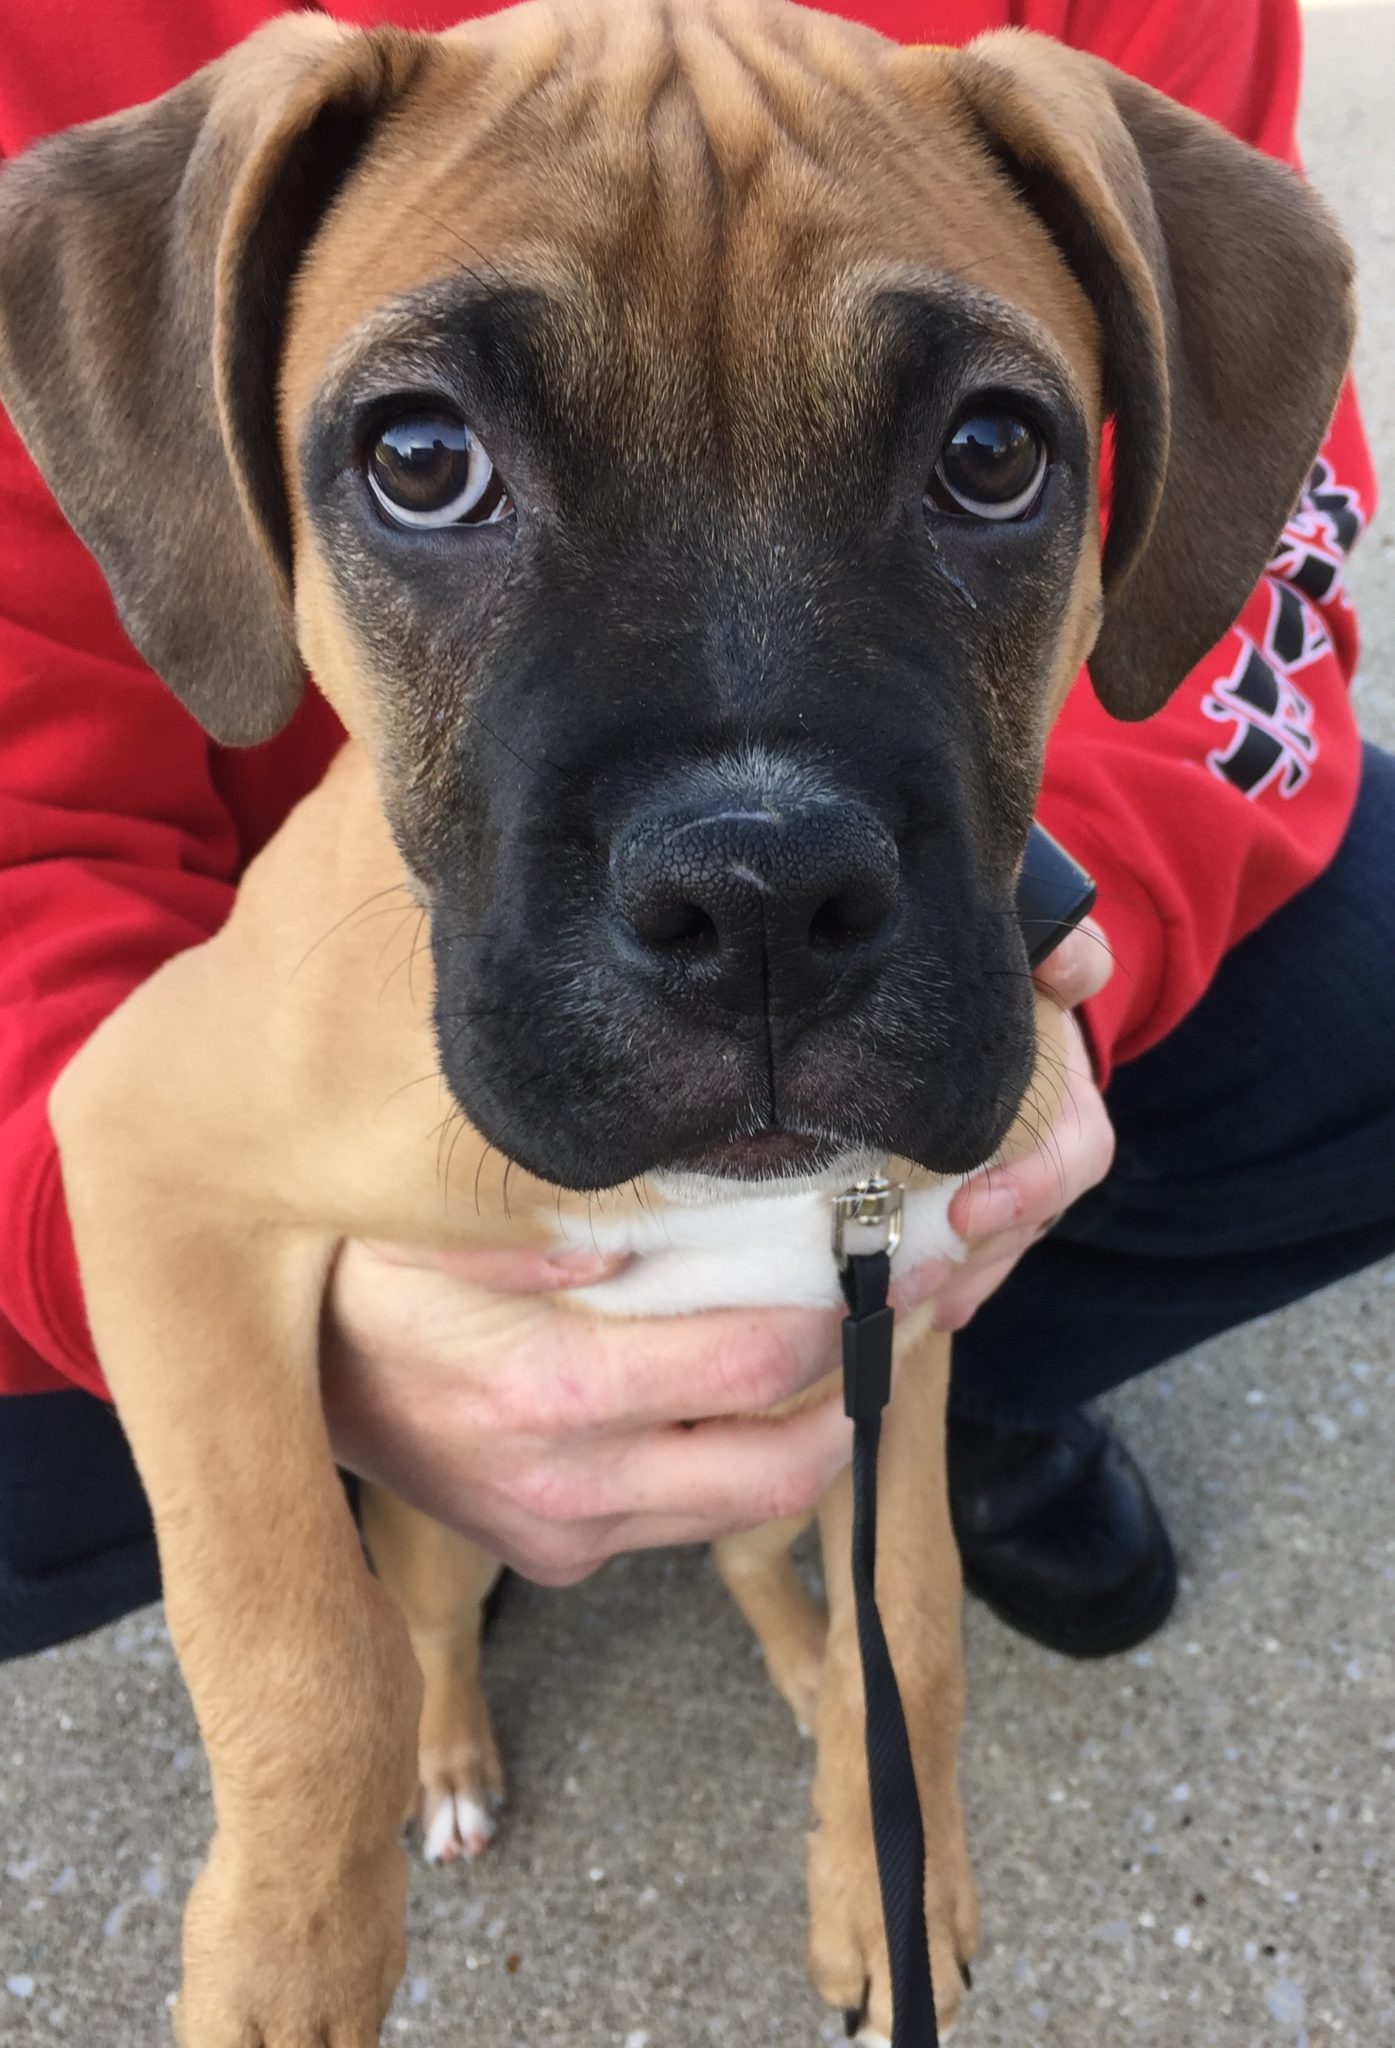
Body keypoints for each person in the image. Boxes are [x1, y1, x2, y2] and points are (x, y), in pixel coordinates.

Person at [0, 0, 1386, 1667]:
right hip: (293, 1008)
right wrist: (296, 1358)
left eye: (987, 451)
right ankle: (512, 1445)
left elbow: (1231, 607)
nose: (750, 867)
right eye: (430, 461)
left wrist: (1067, 953)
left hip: (937, 917)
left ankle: (954, 1363)